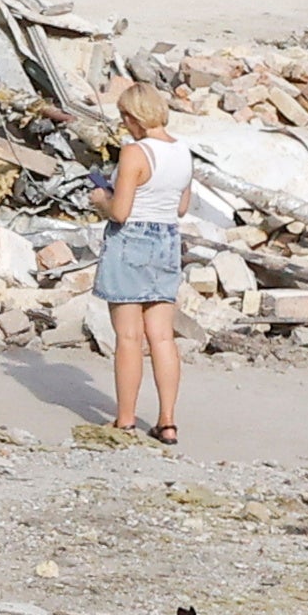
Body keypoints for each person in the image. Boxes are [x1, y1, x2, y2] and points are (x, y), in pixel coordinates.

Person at [95, 90, 196, 446]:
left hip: (132, 239)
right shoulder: (184, 151)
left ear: (135, 116)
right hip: (167, 240)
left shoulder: (134, 152)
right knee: (163, 337)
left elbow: (120, 211)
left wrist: (101, 199)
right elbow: (181, 206)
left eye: (125, 116)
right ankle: (167, 421)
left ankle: (125, 419)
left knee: (128, 337)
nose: (124, 123)